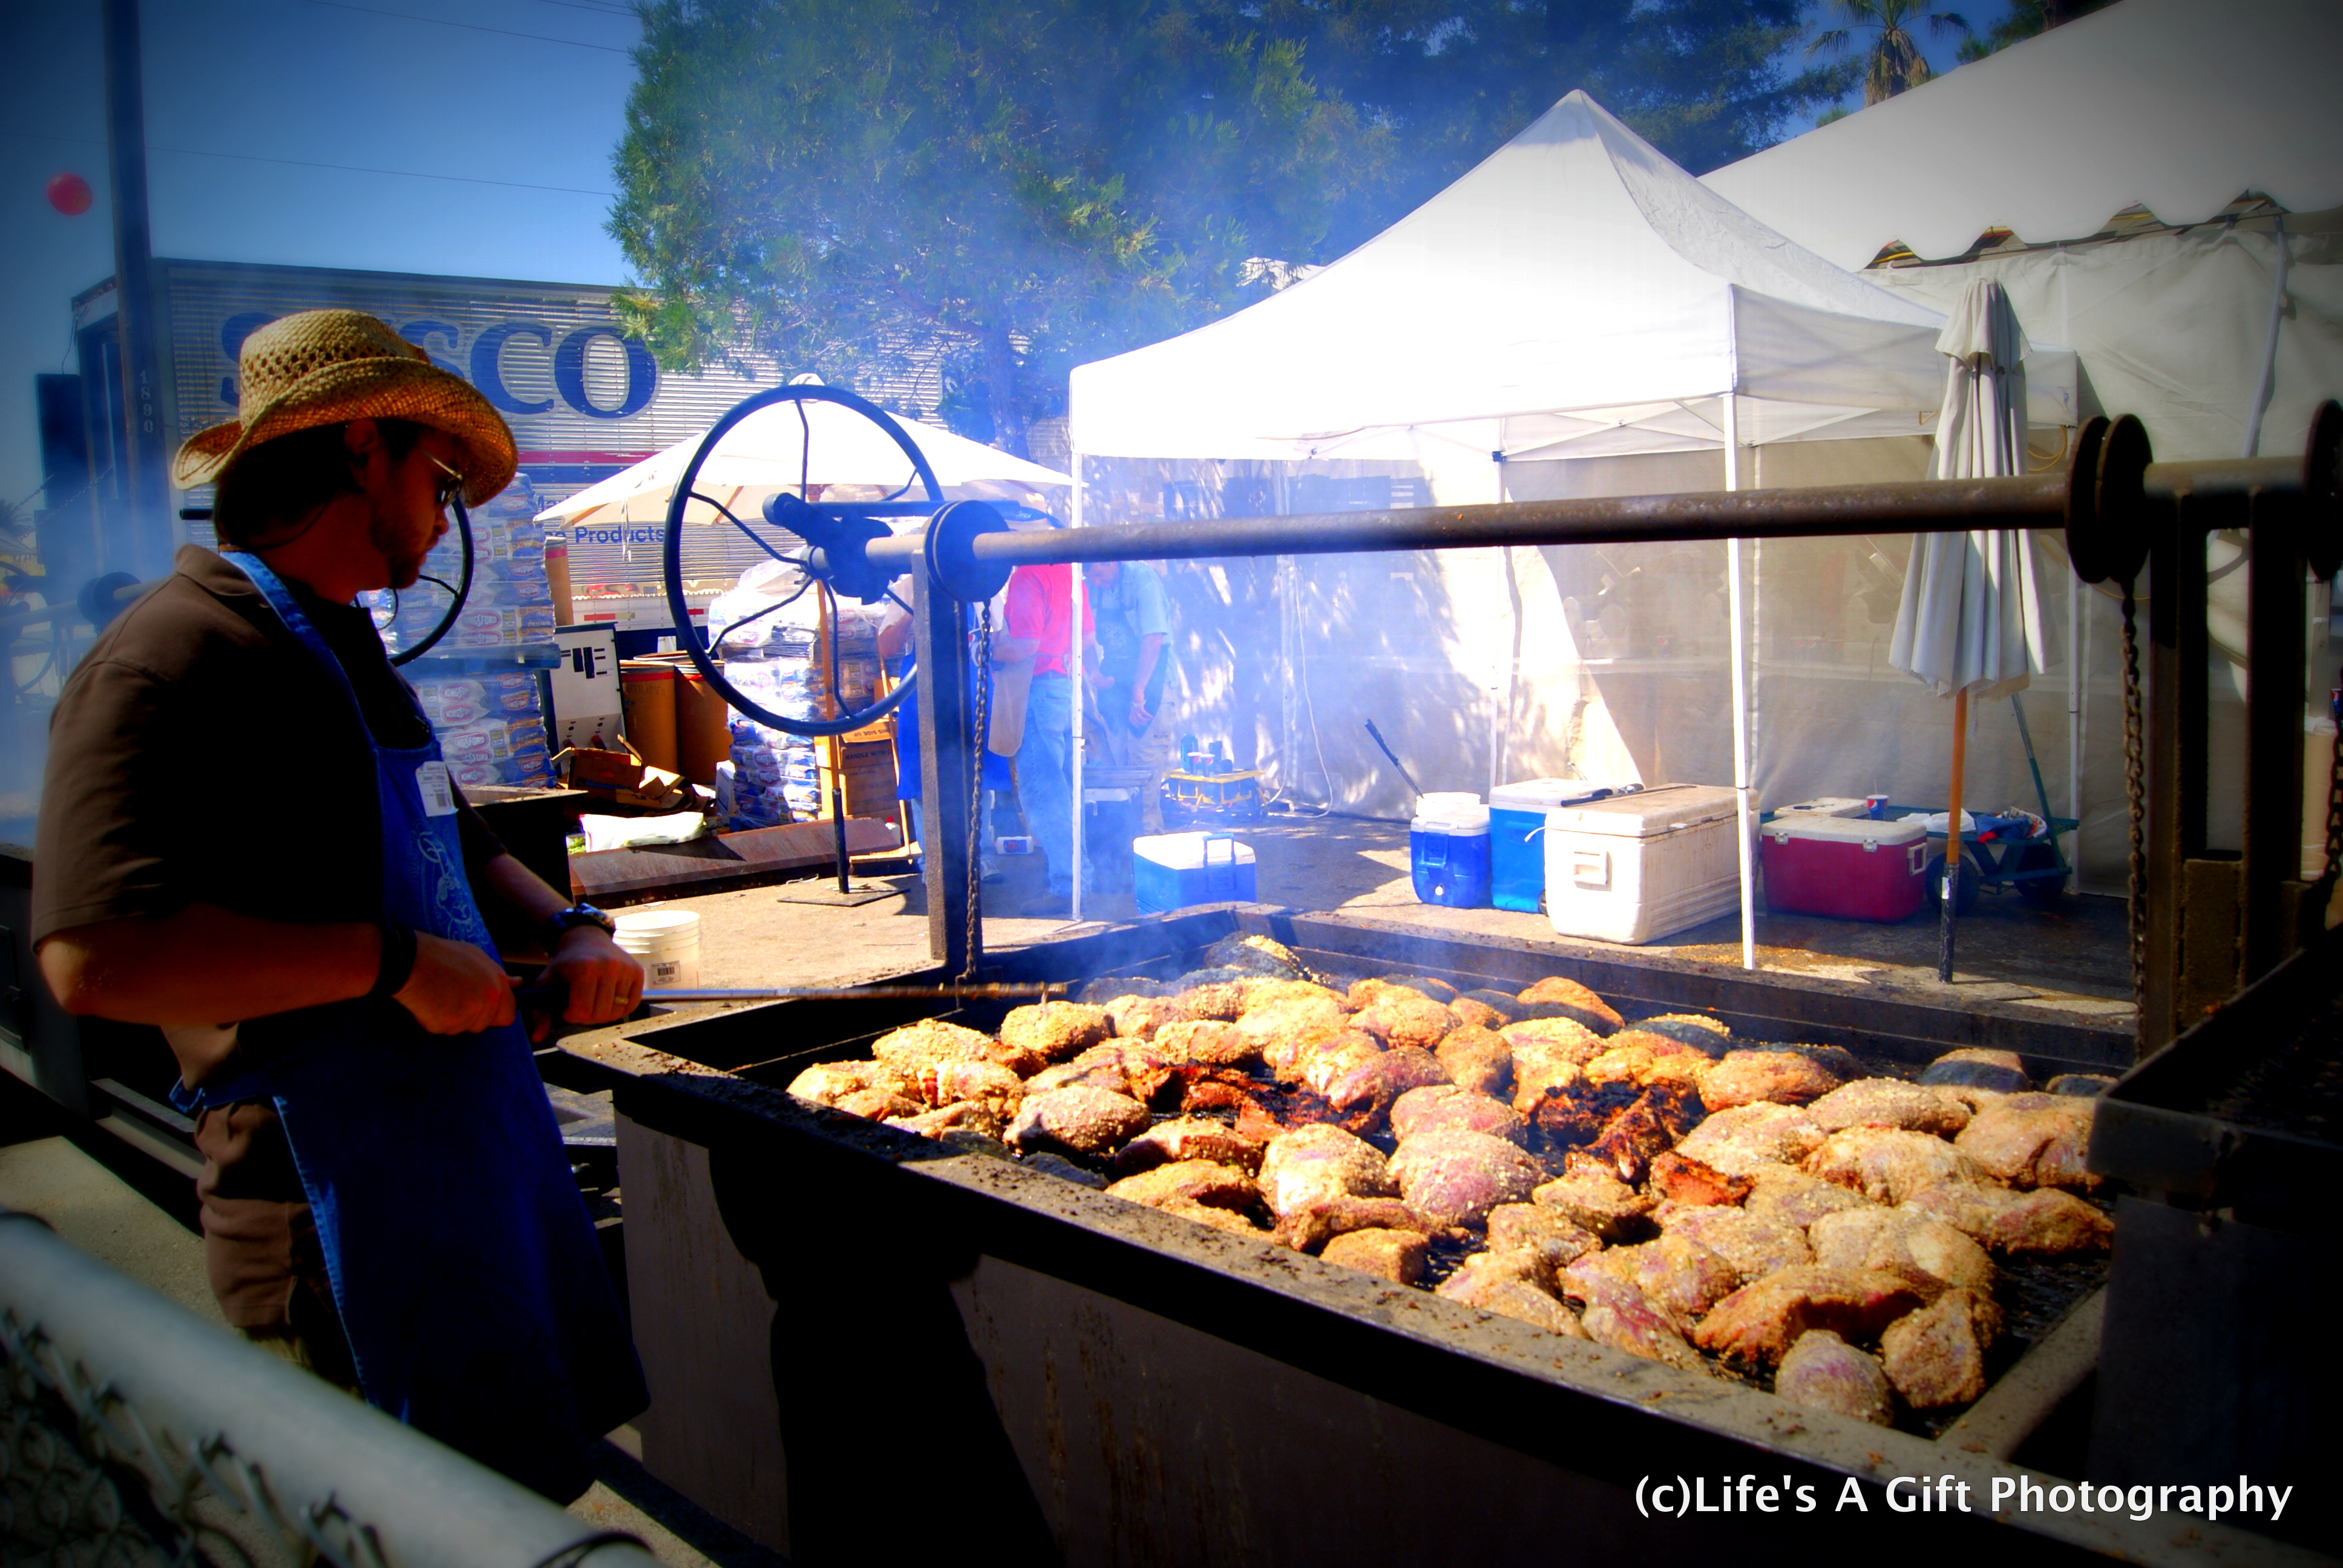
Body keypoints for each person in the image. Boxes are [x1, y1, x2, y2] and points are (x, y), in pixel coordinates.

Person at [31, 310, 647, 1502]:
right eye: (439, 473)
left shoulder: (337, 644)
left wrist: (566, 930)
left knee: (519, 1520)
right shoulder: (170, 655)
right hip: (332, 1232)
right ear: (364, 448)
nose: (446, 507)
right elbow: (94, 962)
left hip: (470, 1178)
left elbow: (454, 844)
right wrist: (392, 967)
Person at [1001, 561, 1092, 916]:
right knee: (1068, 790)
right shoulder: (1071, 572)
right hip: (1069, 685)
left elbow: (1025, 645)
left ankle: (1066, 885)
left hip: (1038, 686)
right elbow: (1087, 639)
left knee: (1044, 791)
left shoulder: (1027, 575)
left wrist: (987, 650)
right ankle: (1080, 879)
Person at [1083, 558, 1176, 834]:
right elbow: (1085, 635)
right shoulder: (1090, 587)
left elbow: (1154, 638)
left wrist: (1139, 692)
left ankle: (1148, 847)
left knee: (1143, 776)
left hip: (1152, 683)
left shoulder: (1143, 581)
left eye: (1100, 575)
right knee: (1117, 775)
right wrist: (1094, 672)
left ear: (1112, 562)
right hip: (1115, 685)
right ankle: (1121, 854)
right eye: (1092, 578)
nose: (1097, 583)